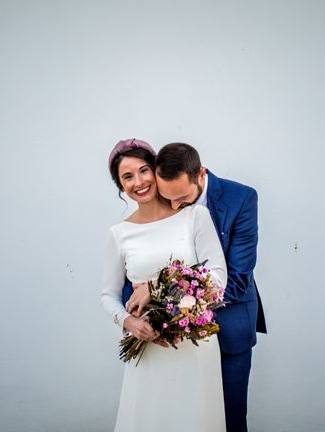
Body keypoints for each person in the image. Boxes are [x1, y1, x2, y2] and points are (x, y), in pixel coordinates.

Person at [125, 142, 266, 432]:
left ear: (200, 174)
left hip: (230, 327)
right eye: (168, 199)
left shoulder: (241, 199)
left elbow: (237, 280)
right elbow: (141, 263)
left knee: (229, 420)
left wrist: (161, 293)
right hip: (170, 337)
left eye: (182, 199)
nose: (174, 207)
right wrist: (136, 313)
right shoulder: (163, 198)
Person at [100, 138, 228, 432]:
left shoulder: (195, 216)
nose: (139, 182)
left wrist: (156, 288)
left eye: (144, 170)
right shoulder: (120, 234)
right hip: (149, 345)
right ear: (120, 187)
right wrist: (130, 322)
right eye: (127, 177)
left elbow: (217, 277)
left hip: (195, 344)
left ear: (156, 171)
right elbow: (108, 294)